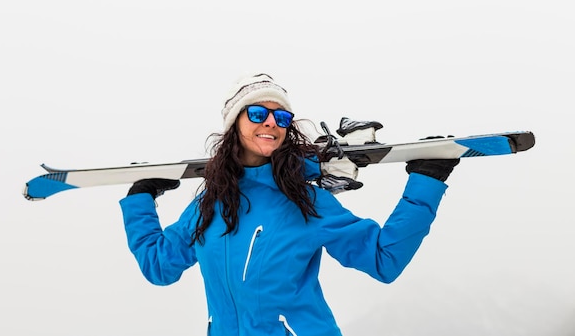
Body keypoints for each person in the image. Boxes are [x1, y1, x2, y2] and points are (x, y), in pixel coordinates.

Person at [119, 73, 459, 336]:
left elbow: (384, 260)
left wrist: (426, 182)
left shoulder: (307, 203)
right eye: (257, 113)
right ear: (234, 123)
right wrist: (140, 200)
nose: (271, 122)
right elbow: (159, 266)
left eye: (281, 117)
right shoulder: (209, 206)